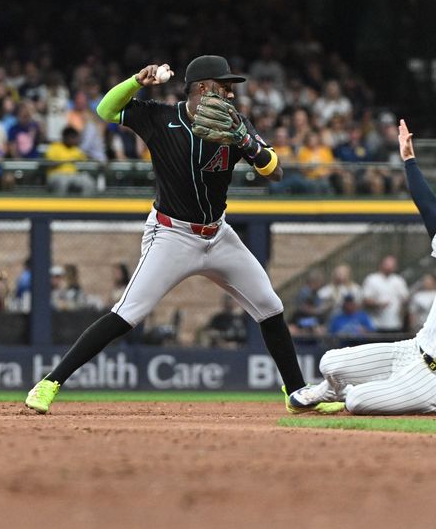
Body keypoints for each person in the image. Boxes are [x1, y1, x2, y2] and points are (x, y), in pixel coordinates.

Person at [26, 55, 323, 414]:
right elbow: (105, 110)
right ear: (201, 88)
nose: (230, 94)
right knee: (127, 314)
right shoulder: (159, 117)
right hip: (172, 235)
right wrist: (136, 82)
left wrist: (247, 142)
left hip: (218, 235)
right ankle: (49, 382)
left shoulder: (235, 125)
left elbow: (273, 171)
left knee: (271, 308)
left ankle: (296, 393)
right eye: (223, 86)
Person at [288, 120, 436, 417]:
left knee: (357, 401)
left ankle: (353, 391)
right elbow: (430, 209)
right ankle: (334, 388)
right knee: (329, 362)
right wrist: (409, 160)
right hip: (410, 351)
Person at [361, 254, 409, 333]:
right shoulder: (372, 279)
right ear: (381, 265)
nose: (390, 267)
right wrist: (378, 304)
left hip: (395, 324)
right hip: (376, 324)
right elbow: (365, 299)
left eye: (392, 265)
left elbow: (405, 298)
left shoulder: (398, 280)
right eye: (387, 264)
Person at [43, 126, 96, 195]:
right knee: (63, 182)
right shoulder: (54, 147)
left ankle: (84, 204)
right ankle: (60, 204)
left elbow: (86, 159)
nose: (75, 140)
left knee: (88, 181)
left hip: (73, 175)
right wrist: (67, 161)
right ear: (66, 137)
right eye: (73, 137)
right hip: (56, 175)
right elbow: (49, 163)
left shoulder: (76, 150)